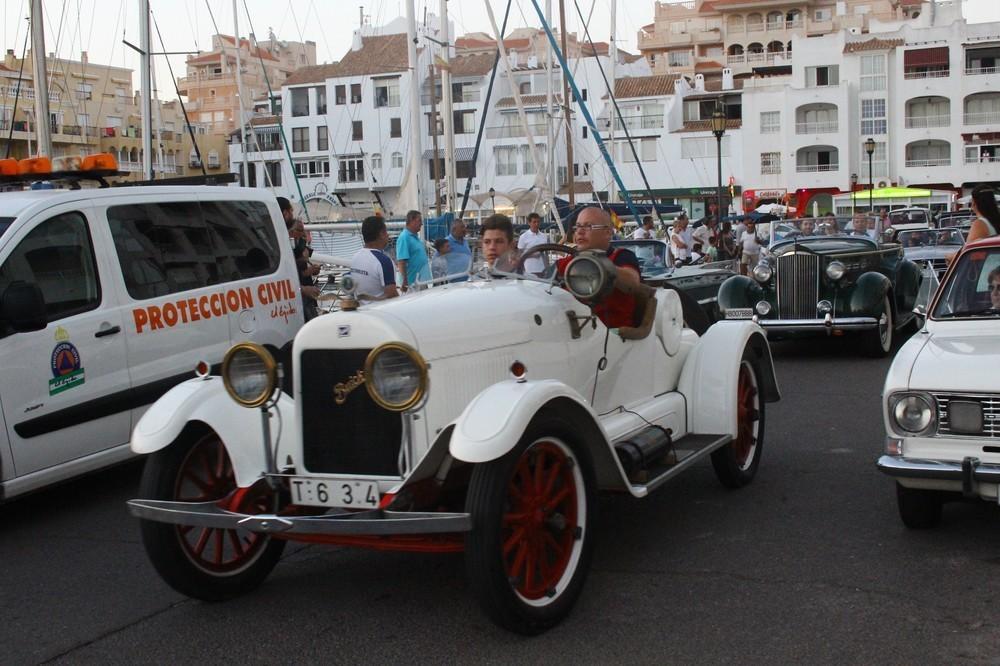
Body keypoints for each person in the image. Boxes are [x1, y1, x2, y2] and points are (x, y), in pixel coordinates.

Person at [556, 206, 642, 329]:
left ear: (607, 232)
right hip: (569, 335)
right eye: (578, 226)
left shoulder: (621, 257)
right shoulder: (564, 263)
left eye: (588, 226)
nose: (580, 232)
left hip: (613, 339)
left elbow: (632, 283)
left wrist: (602, 266)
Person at [278, 196, 320, 320]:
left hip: (302, 293)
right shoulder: (281, 242)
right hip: (296, 298)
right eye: (291, 211)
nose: (302, 234)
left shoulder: (298, 243)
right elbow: (286, 273)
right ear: (285, 213)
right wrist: (303, 286)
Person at [349, 215, 399, 301]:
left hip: (361, 310)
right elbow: (392, 296)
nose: (388, 235)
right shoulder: (384, 261)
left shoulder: (355, 257)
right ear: (381, 234)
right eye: (386, 232)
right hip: (378, 312)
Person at [396, 209, 431, 291]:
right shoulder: (404, 237)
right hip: (412, 285)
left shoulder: (415, 237)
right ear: (411, 220)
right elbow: (401, 262)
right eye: (419, 221)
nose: (422, 224)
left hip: (420, 282)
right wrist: (405, 282)